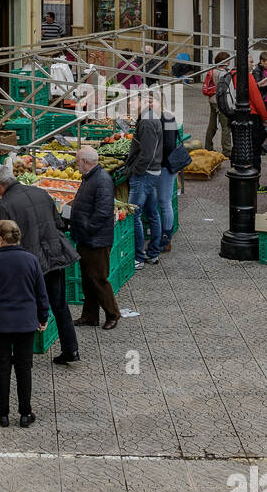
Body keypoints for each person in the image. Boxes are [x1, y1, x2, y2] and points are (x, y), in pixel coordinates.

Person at [0, 167, 80, 366]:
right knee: (59, 304)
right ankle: (71, 348)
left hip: (29, 262)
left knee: (26, 305)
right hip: (54, 255)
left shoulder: (4, 205)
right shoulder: (41, 192)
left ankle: (24, 355)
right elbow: (59, 223)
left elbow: (4, 239)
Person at [0, 218, 48, 428]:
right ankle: (25, 413)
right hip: (25, 322)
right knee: (24, 367)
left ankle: (3, 413)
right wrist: (43, 317)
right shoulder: (31, 260)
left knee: (2, 367)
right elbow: (41, 294)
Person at [68, 145, 121, 330]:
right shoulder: (91, 177)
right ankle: (89, 315)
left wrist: (88, 228)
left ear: (84, 162)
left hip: (96, 240)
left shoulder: (102, 180)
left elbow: (103, 211)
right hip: (86, 238)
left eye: (77, 162)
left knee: (98, 278)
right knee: (88, 279)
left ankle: (113, 314)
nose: (76, 165)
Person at [125, 94, 163, 267]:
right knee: (152, 213)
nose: (130, 103)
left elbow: (147, 153)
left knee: (134, 215)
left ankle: (139, 257)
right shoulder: (147, 119)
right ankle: (153, 252)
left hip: (144, 174)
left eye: (133, 100)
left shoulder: (147, 122)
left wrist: (135, 171)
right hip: (151, 172)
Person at [157, 101, 183, 253]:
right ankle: (162, 236)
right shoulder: (163, 117)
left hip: (166, 166)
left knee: (164, 202)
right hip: (164, 165)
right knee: (161, 202)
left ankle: (166, 239)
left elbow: (168, 145)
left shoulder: (166, 118)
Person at [203, 51, 232, 156]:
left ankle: (208, 146)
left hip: (212, 101)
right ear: (223, 61)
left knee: (212, 125)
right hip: (221, 102)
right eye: (228, 60)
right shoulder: (223, 73)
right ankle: (227, 150)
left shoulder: (212, 71)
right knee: (226, 126)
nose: (229, 61)